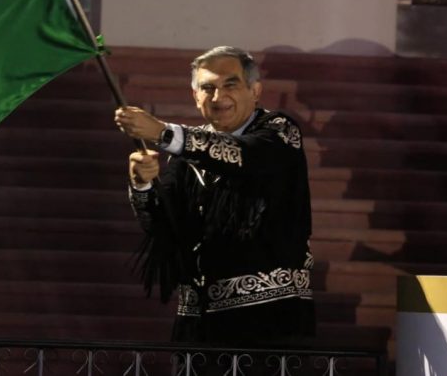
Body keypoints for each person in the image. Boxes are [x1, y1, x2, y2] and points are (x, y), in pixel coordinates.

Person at [114, 46, 314, 345]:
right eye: (208, 88)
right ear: (195, 96)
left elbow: (244, 157)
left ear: (255, 90)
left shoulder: (280, 131)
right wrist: (141, 183)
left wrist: (164, 133)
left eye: (230, 85)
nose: (218, 98)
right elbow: (161, 225)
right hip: (196, 321)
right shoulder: (184, 154)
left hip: (269, 318)